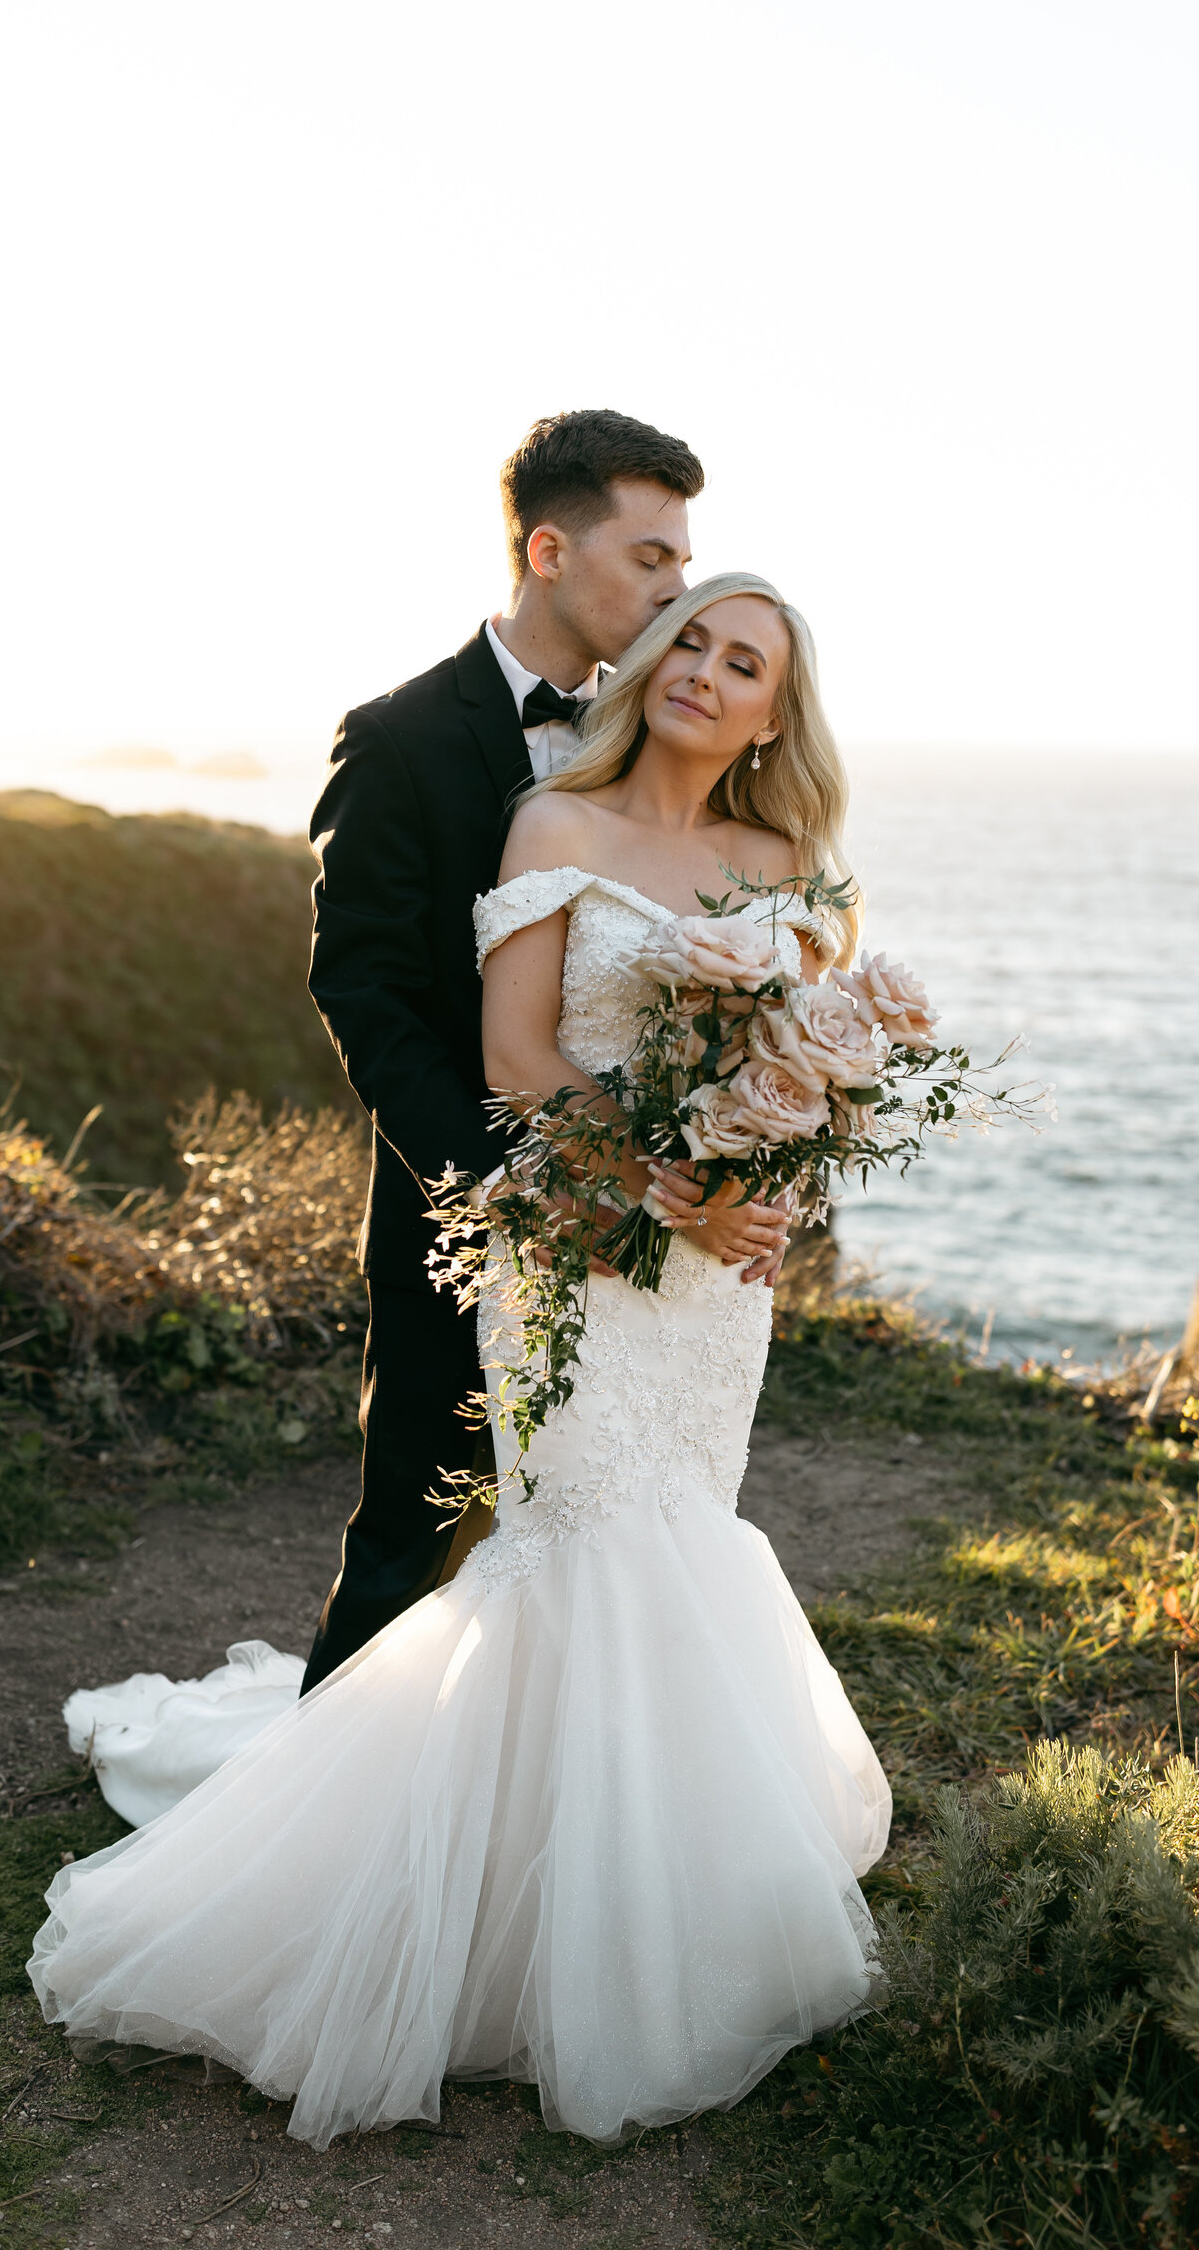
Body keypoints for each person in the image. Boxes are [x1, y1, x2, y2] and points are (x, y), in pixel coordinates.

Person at [28, 572, 891, 2146]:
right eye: (688, 635)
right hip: (574, 1253)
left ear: (780, 708)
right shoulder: (555, 821)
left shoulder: (786, 868)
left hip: (712, 1295)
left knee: (683, 1540)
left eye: (741, 659)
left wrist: (765, 1198)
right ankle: (481, 1927)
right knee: (575, 1553)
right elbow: (516, 1057)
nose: (701, 668)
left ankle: (648, 1893)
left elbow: (804, 1079)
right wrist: (659, 1181)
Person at [297, 409, 788, 1692]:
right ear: (550, 550)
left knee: (609, 1546)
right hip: (462, 1210)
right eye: (650, 560)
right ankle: (328, 1831)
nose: (675, 592)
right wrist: (499, 1188)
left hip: (651, 1245)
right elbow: (365, 997)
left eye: (685, 567)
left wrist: (747, 1165)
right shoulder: (400, 740)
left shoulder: (684, 744)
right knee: (418, 1521)